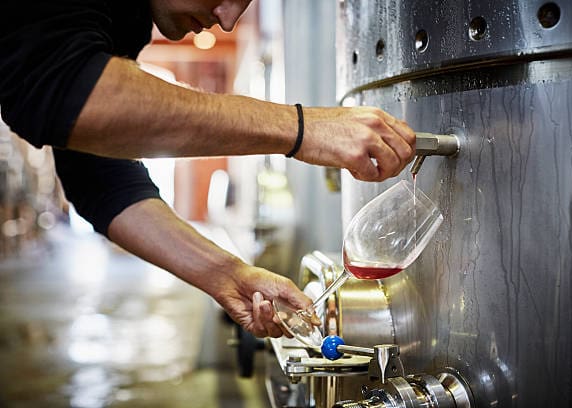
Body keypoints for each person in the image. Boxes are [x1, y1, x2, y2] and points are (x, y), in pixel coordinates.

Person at [0, 1, 416, 338]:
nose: (230, 19)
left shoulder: (122, 21)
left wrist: (226, 274)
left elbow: (99, 177)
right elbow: (60, 88)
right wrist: (301, 127)